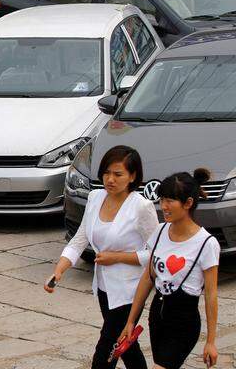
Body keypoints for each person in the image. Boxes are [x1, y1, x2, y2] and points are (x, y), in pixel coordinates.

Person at [44, 145, 159, 369]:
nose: (110, 179)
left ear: (132, 176)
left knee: (105, 348)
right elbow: (80, 239)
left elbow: (157, 254)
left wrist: (118, 257)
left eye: (118, 174)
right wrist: (59, 270)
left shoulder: (141, 207)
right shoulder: (96, 197)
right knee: (125, 344)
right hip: (105, 288)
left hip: (130, 290)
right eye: (107, 173)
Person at [119, 169, 220, 368]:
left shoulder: (207, 243)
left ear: (188, 203)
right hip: (157, 317)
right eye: (162, 199)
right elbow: (148, 278)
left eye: (169, 201)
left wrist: (210, 341)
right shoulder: (159, 231)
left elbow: (211, 294)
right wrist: (130, 321)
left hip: (184, 321)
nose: (163, 206)